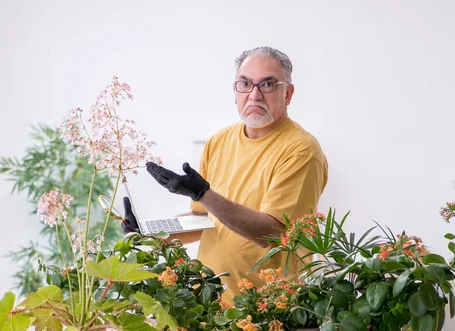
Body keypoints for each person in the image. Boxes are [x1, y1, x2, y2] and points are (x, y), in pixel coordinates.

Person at [123, 46, 328, 302]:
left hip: (269, 312)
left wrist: (203, 193)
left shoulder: (301, 150)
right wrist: (148, 233)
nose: (254, 95)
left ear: (288, 93)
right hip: (211, 303)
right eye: (245, 84)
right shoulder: (219, 141)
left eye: (267, 84)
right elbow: (203, 219)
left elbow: (271, 233)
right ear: (235, 91)